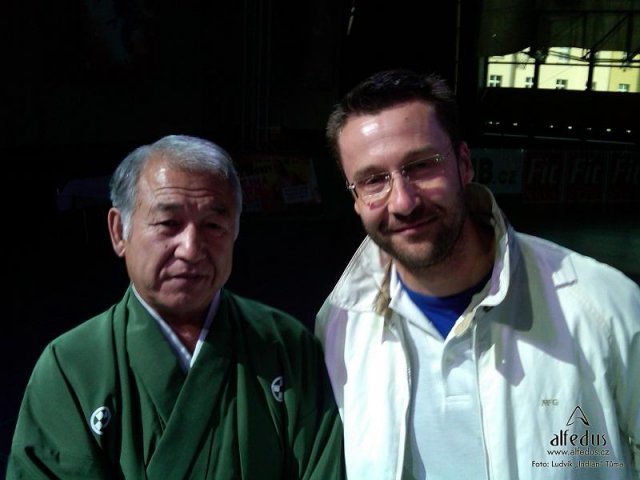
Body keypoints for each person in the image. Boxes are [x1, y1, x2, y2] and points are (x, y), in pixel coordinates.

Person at [315, 69, 640, 479]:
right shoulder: (341, 326)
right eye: (374, 180)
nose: (403, 201)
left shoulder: (605, 309)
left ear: (464, 165)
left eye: (421, 166)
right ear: (355, 199)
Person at [8, 134, 345, 479]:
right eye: (168, 223)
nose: (190, 248)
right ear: (119, 232)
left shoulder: (285, 345)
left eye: (214, 225)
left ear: (236, 232)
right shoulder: (72, 365)